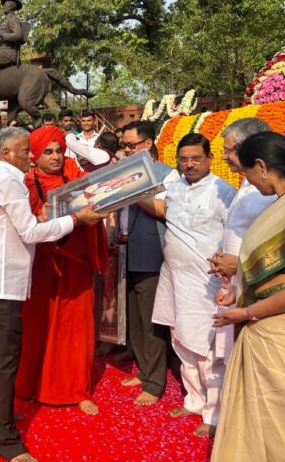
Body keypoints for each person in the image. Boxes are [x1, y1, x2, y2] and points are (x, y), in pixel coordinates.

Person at [0, 127, 105, 462]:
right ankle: (7, 442)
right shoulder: (9, 180)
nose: (31, 156)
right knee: (1, 360)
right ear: (6, 154)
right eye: (25, 150)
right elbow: (30, 231)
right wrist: (76, 220)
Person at [210, 131, 285, 462]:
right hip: (266, 330)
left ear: (262, 167)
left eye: (248, 173)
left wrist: (248, 312)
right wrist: (237, 290)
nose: (248, 181)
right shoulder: (284, 204)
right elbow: (279, 272)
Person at [15, 126, 109, 415]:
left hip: (76, 264)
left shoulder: (77, 177)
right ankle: (33, 385)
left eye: (59, 150)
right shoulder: (26, 184)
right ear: (34, 155)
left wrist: (73, 142)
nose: (56, 157)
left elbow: (103, 164)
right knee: (37, 326)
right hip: (43, 265)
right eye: (48, 151)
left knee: (76, 327)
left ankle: (75, 389)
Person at [152, 133, 236, 437]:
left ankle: (214, 414)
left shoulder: (224, 192)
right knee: (179, 340)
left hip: (206, 282)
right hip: (173, 276)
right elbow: (156, 207)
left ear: (210, 159)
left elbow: (234, 235)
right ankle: (194, 399)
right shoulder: (172, 188)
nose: (189, 164)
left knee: (208, 347)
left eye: (196, 158)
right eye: (184, 159)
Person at [118, 121, 179, 406]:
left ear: (147, 144)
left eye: (131, 145)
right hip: (124, 253)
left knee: (152, 321)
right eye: (124, 145)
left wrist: (133, 191)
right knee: (134, 319)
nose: (126, 150)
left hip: (151, 253)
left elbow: (165, 210)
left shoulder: (167, 174)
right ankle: (144, 371)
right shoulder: (123, 173)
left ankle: (155, 382)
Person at [208, 119, 276, 361]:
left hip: (266, 294)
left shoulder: (274, 189)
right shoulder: (249, 181)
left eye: (229, 150)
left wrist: (237, 264)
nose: (224, 157)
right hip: (239, 287)